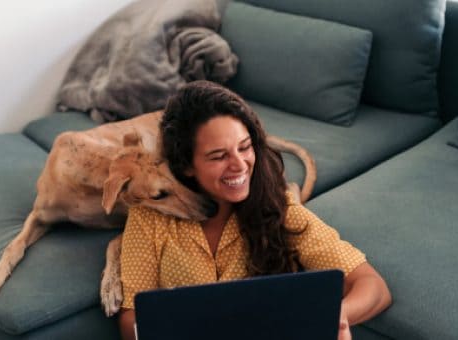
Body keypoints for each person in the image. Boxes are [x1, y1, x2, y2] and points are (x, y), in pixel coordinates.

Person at [118, 80, 392, 340]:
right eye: (219, 156)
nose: (239, 165)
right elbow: (131, 317)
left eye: (245, 147)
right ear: (186, 166)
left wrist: (331, 318)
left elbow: (372, 287)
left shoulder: (278, 208)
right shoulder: (150, 217)